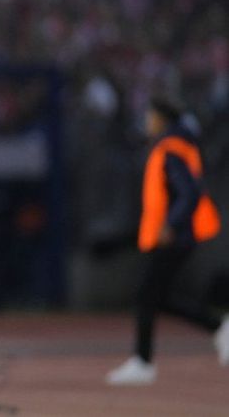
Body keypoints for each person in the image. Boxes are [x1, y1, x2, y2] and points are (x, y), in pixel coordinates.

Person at [106, 93, 227, 385]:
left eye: (150, 116)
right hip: (172, 235)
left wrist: (171, 225)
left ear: (161, 119)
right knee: (158, 297)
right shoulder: (172, 145)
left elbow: (189, 192)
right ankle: (219, 327)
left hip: (174, 236)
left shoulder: (170, 148)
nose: (147, 122)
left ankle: (143, 361)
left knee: (146, 295)